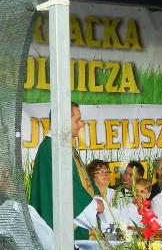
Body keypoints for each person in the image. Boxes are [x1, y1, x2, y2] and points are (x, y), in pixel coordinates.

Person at [29, 102, 105, 240]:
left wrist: (96, 197)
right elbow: (65, 186)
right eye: (77, 120)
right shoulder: (51, 148)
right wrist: (92, 205)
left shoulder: (65, 146)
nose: (81, 124)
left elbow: (85, 180)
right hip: (65, 229)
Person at [86, 159, 130, 229]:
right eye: (101, 172)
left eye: (107, 172)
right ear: (92, 176)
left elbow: (125, 216)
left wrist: (121, 231)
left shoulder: (117, 194)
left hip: (119, 233)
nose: (106, 174)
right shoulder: (88, 197)